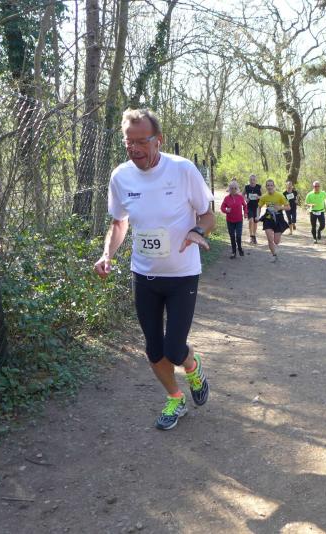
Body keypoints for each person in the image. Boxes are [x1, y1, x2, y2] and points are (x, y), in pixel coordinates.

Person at [94, 108, 215, 431]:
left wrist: (197, 231)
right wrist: (107, 254)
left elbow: (207, 215)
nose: (134, 149)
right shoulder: (120, 177)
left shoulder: (183, 170)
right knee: (153, 347)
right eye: (128, 142)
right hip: (144, 274)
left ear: (158, 140)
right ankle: (175, 398)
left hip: (182, 274)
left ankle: (193, 367)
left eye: (141, 142)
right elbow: (119, 223)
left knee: (174, 349)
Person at [256, 179, 290, 262]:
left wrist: (280, 207)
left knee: (276, 241)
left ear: (274, 186)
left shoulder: (280, 195)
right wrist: (257, 216)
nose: (270, 187)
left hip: (278, 218)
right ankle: (274, 255)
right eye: (268, 185)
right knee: (270, 239)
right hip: (268, 218)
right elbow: (259, 207)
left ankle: (278, 236)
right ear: (266, 187)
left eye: (271, 185)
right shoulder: (264, 196)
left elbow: (288, 207)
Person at [220, 180, 247, 258]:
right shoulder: (226, 198)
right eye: (232, 188)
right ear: (229, 189)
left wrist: (245, 213)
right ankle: (234, 252)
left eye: (235, 188)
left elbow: (245, 206)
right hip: (230, 220)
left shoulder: (240, 197)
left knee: (238, 235)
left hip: (239, 220)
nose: (233, 190)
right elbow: (222, 207)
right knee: (232, 236)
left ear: (237, 189)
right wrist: (226, 210)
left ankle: (240, 248)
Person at [244, 174, 262, 245]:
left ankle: (254, 236)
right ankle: (251, 236)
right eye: (251, 180)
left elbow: (263, 196)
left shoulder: (259, 187)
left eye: (253, 180)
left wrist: (258, 197)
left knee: (255, 221)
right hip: (249, 206)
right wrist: (246, 199)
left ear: (256, 180)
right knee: (251, 220)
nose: (252, 181)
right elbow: (242, 194)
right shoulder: (246, 187)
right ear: (249, 180)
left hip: (257, 207)